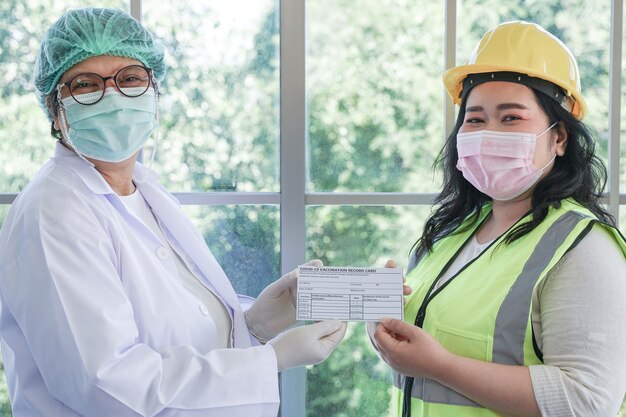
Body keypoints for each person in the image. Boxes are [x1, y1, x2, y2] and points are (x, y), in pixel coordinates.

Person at [0, 8, 347, 417]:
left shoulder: (146, 190)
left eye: (130, 78)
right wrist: (269, 360)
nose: (112, 96)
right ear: (54, 108)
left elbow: (172, 331)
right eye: (85, 84)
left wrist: (256, 323)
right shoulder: (54, 212)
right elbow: (108, 385)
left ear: (154, 88)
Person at [370, 21, 626, 417]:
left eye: (510, 118)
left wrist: (440, 366)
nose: (488, 132)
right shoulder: (449, 232)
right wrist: (384, 310)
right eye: (474, 119)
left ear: (559, 137)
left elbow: (587, 402)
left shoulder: (584, 246)